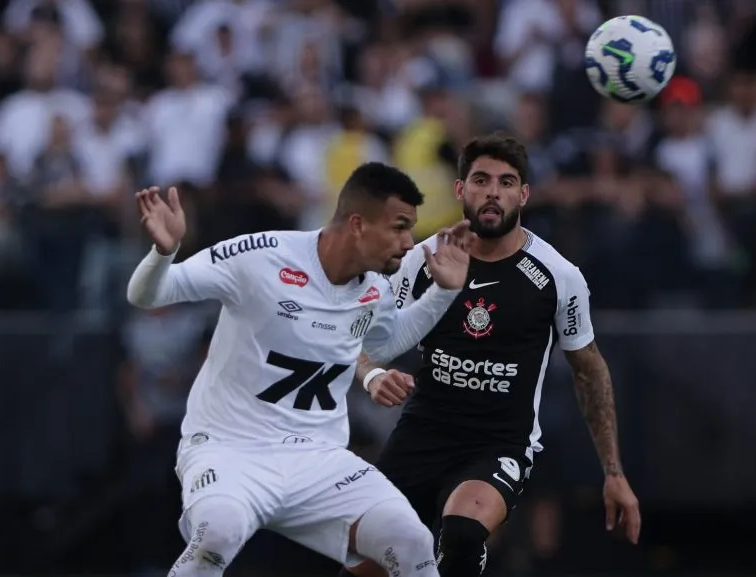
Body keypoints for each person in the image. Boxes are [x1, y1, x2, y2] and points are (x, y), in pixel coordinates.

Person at [125, 162, 477, 577]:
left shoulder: (375, 287)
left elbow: (381, 345)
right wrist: (163, 253)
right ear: (358, 224)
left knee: (412, 540)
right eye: (399, 227)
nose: (407, 242)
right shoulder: (260, 255)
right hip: (229, 447)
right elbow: (148, 295)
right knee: (215, 536)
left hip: (317, 457)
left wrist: (444, 293)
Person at [343, 133, 641, 577]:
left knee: (461, 534)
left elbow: (589, 369)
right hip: (422, 435)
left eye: (506, 182)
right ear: (461, 189)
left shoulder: (558, 275)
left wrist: (613, 472)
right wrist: (372, 376)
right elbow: (355, 339)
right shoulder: (420, 261)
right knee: (366, 565)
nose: (493, 192)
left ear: (523, 195)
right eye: (481, 179)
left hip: (499, 443)